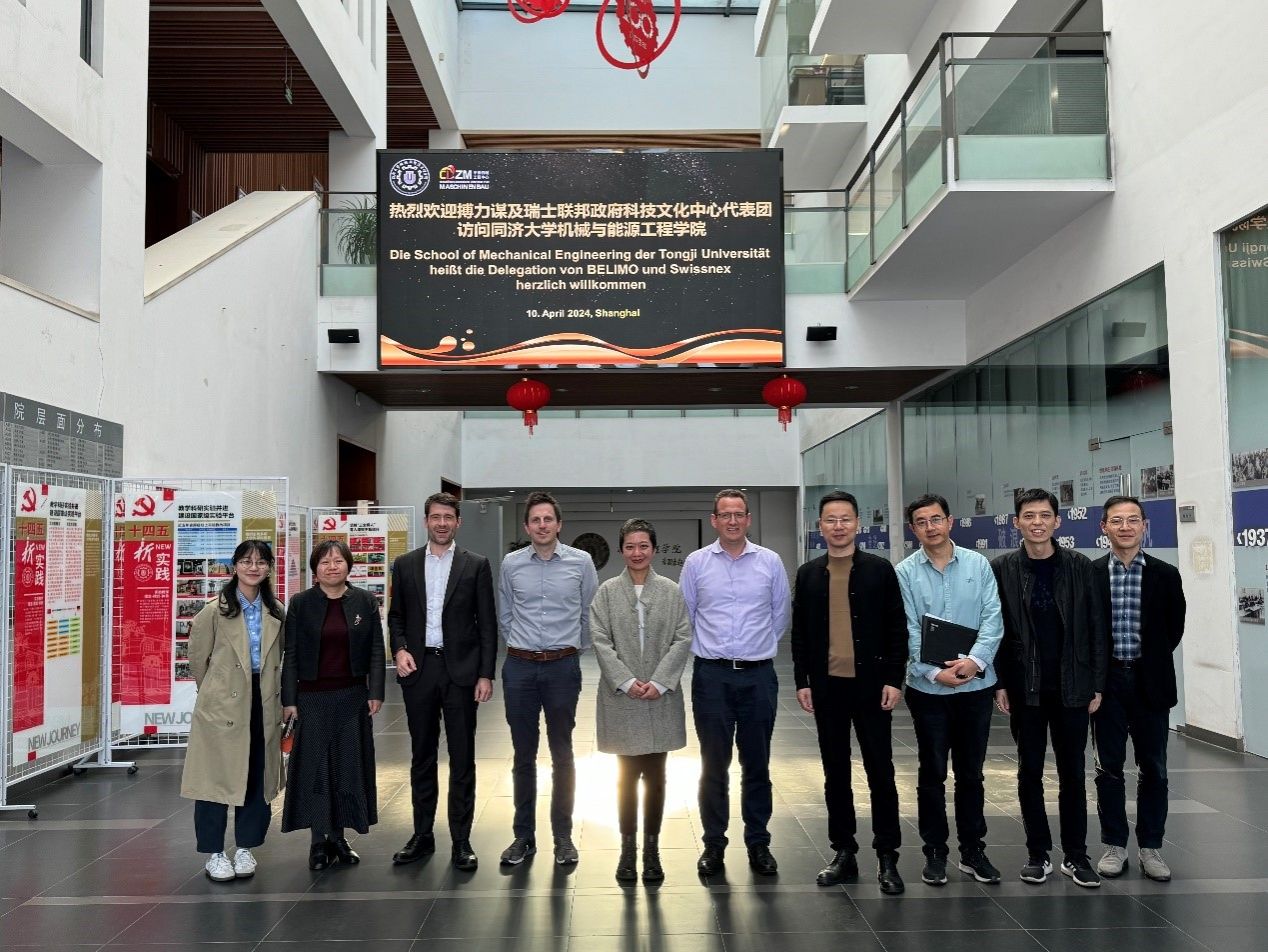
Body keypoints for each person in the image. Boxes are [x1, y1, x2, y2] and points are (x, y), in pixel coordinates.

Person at [792, 491, 908, 895]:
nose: (838, 526)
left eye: (845, 519)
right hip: (828, 688)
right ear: (820, 526)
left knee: (881, 771)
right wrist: (803, 680)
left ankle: (887, 855)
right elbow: (800, 634)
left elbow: (897, 628)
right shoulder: (809, 574)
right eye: (830, 520)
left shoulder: (879, 570)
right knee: (835, 773)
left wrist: (894, 678)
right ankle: (843, 851)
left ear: (857, 523)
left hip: (872, 687)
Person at [992, 488, 1107, 888]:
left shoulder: (1080, 566)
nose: (1037, 522)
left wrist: (1097, 683)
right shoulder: (1002, 568)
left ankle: (1076, 855)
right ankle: (1037, 854)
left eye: (1044, 515)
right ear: (1017, 522)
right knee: (1029, 772)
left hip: (1072, 685)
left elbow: (1097, 628)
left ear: (1057, 521)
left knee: (1073, 773)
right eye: (1029, 515)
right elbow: (995, 630)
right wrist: (1000, 682)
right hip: (1025, 686)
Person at [895, 493, 1004, 888]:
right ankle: (935, 851)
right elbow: (906, 628)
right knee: (932, 772)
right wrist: (931, 672)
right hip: (929, 692)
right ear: (913, 529)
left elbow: (993, 618)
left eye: (936, 519)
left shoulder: (978, 565)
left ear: (950, 521)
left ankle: (973, 850)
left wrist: (974, 662)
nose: (931, 527)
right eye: (922, 522)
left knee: (971, 774)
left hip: (976, 687)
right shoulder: (904, 572)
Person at [680, 488, 791, 877]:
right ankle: (714, 844)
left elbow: (780, 615)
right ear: (714, 520)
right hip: (711, 675)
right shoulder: (696, 563)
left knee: (756, 764)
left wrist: (753, 650)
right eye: (725, 515)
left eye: (738, 514)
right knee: (714, 764)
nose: (732, 521)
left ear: (748, 519)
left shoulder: (770, 562)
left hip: (758, 676)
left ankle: (758, 843)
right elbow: (686, 615)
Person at [388, 492, 497, 871]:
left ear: (458, 522)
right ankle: (422, 835)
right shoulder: (405, 564)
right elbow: (396, 616)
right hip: (419, 670)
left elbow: (487, 623)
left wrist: (485, 673)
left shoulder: (476, 565)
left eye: (448, 517)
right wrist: (399, 649)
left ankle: (461, 840)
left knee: (462, 757)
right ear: (426, 521)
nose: (442, 523)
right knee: (422, 756)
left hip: (462, 673)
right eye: (435, 517)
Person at [590, 518, 694, 883]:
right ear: (622, 550)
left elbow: (682, 638)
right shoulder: (606, 592)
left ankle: (652, 850)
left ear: (654, 549)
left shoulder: (670, 591)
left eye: (644, 546)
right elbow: (600, 640)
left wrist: (661, 681)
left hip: (660, 698)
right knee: (625, 778)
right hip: (622, 698)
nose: (637, 552)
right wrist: (626, 680)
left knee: (657, 777)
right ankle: (627, 849)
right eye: (630, 546)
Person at [498, 491, 598, 866]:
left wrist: (569, 651)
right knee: (523, 755)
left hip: (562, 668)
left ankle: (563, 837)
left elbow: (589, 613)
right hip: (520, 667)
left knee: (562, 753)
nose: (542, 525)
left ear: (559, 525)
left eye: (548, 519)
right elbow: (505, 613)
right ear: (527, 527)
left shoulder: (581, 561)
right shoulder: (511, 564)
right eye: (535, 520)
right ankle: (523, 837)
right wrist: (523, 647)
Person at [1092, 495, 1186, 882]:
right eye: (1117, 520)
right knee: (1108, 769)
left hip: (1151, 683)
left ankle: (1151, 847)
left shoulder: (1166, 574)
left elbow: (1173, 629)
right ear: (1104, 527)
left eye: (1133, 520)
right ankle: (1114, 845)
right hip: (1107, 684)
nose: (1125, 527)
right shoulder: (1091, 574)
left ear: (1144, 525)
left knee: (1155, 771)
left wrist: (1150, 663)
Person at [180, 539, 285, 883]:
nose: (254, 567)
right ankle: (214, 853)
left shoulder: (276, 610)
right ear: (234, 566)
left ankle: (245, 848)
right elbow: (198, 659)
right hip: (222, 705)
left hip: (262, 701)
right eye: (246, 561)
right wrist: (215, 693)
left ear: (269, 567)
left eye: (261, 562)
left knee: (257, 775)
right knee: (214, 779)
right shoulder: (214, 611)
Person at [280, 540, 385, 869]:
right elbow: (291, 653)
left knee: (346, 768)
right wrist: (289, 699)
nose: (332, 567)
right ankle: (317, 842)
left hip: (352, 696)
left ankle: (339, 838)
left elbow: (376, 650)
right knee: (316, 769)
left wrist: (376, 691)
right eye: (324, 562)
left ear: (348, 565)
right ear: (315, 569)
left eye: (338, 561)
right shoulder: (301, 603)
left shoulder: (364, 601)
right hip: (311, 698)